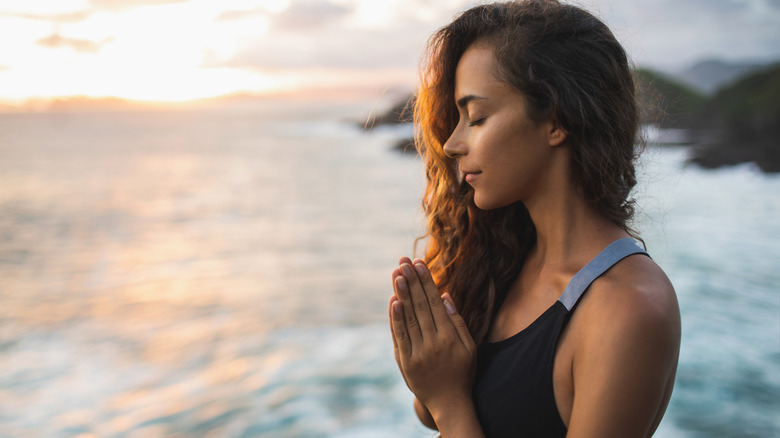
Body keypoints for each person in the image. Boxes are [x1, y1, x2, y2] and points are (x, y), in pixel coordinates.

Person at [387, 1, 681, 437]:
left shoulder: (627, 308)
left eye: (477, 117)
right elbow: (429, 409)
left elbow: (446, 409)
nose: (451, 143)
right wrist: (432, 373)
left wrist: (449, 402)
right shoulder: (501, 257)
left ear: (556, 121)